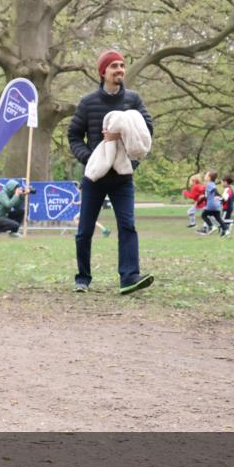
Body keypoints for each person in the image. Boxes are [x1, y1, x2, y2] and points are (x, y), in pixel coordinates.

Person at [68, 49, 154, 295]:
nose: (120, 70)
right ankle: (83, 278)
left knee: (128, 226)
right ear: (103, 72)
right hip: (95, 177)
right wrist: (90, 159)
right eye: (114, 66)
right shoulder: (88, 102)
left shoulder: (133, 100)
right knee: (85, 231)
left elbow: (146, 132)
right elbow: (74, 135)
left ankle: (129, 278)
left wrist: (131, 162)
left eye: (122, 65)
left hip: (122, 179)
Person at [198, 171, 229, 237]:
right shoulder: (211, 184)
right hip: (217, 205)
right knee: (218, 218)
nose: (205, 176)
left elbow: (214, 190)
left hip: (211, 204)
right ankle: (226, 230)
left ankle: (211, 226)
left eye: (206, 175)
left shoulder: (209, 184)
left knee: (203, 215)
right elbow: (208, 195)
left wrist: (217, 195)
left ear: (209, 177)